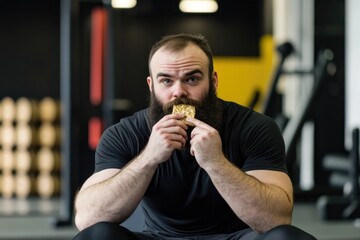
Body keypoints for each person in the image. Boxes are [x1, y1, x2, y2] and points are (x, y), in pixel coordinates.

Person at [73, 33, 316, 240]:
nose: (178, 91)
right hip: (160, 237)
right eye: (166, 81)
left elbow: (278, 219)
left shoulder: (255, 128)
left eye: (192, 78)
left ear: (213, 81)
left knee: (287, 237)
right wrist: (149, 157)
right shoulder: (124, 134)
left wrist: (216, 163)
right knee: (98, 235)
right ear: (151, 85)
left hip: (236, 237)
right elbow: (87, 218)